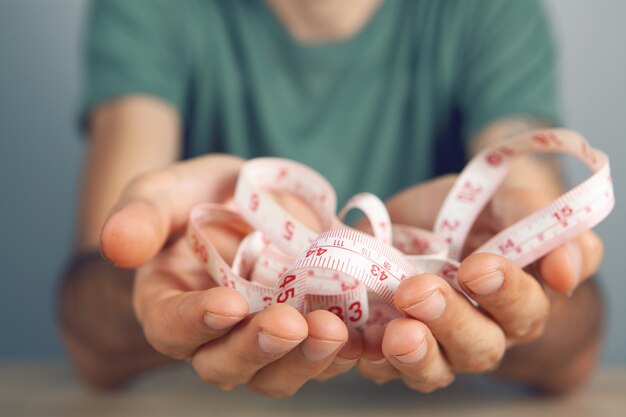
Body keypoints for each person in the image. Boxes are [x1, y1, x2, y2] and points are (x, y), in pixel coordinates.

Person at [58, 0, 605, 397]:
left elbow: (572, 352)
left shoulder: (492, 12)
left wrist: (535, 289)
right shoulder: (149, 11)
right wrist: (153, 272)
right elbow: (93, 345)